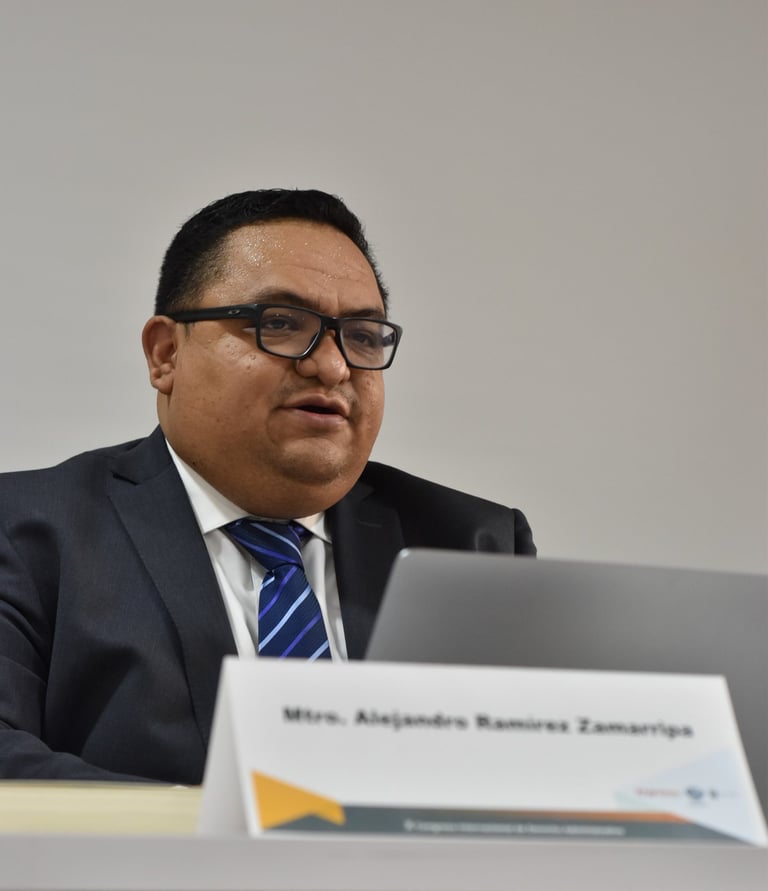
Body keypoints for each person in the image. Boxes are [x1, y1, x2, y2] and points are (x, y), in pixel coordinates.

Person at [0, 189, 535, 784]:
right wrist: (237, 826)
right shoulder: (25, 534)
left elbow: (539, 770)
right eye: (280, 323)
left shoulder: (470, 545)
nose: (332, 366)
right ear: (166, 354)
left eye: (362, 335)